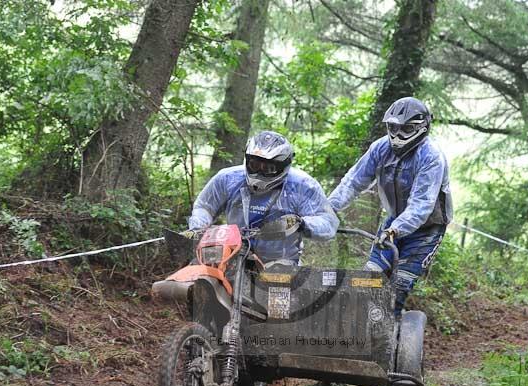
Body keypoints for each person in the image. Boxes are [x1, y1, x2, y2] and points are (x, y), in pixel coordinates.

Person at [328, 97, 452, 316]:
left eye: (406, 129)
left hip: (426, 230)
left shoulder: (431, 157)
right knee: (368, 279)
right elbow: (353, 182)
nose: (397, 136)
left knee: (399, 286)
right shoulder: (380, 148)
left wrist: (396, 229)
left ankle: (388, 339)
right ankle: (356, 328)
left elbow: (422, 205)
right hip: (393, 222)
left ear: (421, 128)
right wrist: (327, 209)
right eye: (393, 128)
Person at [186, 131, 338, 264]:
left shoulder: (303, 186)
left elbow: (328, 222)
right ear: (247, 159)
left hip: (281, 262)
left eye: (267, 168)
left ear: (283, 166)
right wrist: (198, 227)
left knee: (281, 291)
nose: (259, 172)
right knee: (204, 283)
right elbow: (205, 206)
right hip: (232, 255)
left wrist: (302, 223)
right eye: (254, 165)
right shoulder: (227, 178)